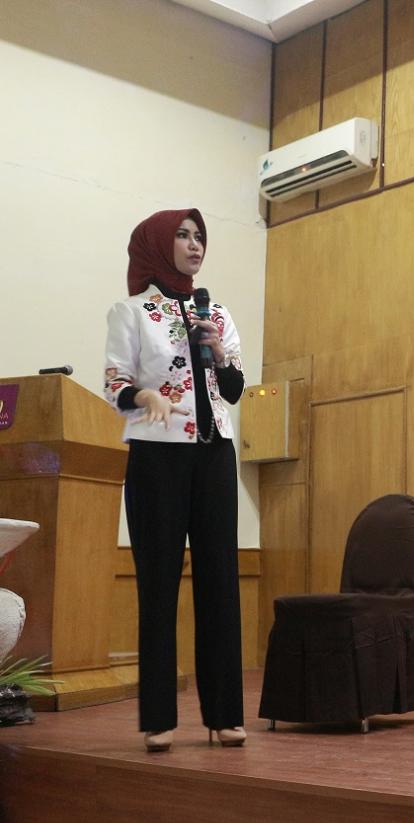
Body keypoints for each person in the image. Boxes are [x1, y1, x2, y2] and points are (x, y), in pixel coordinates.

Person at [103, 209, 247, 753]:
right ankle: (159, 718)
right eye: (183, 235)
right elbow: (115, 383)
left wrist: (217, 351)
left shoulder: (218, 312)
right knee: (158, 585)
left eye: (199, 236)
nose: (194, 244)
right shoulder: (131, 312)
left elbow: (233, 389)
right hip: (156, 456)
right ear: (158, 245)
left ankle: (224, 714)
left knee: (221, 583)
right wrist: (144, 395)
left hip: (215, 456)